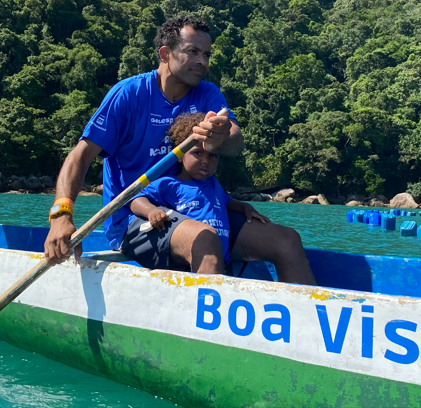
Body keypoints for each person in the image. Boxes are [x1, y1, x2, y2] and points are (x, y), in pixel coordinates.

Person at [43, 15, 316, 284]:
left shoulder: (206, 94)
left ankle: (308, 325)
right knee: (205, 239)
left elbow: (235, 138)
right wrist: (61, 215)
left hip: (197, 209)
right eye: (193, 51)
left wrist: (221, 135)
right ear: (165, 53)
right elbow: (80, 155)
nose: (203, 61)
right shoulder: (128, 95)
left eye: (207, 54)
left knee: (287, 241)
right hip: (135, 217)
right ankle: (207, 324)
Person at [126, 112, 314, 282]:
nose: (205, 161)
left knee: (288, 236)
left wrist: (245, 208)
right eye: (197, 153)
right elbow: (136, 199)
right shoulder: (169, 184)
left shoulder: (213, 185)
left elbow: (227, 202)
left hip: (223, 258)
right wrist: (152, 211)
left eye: (212, 156)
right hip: (192, 258)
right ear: (180, 155)